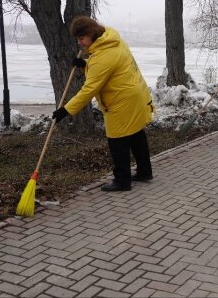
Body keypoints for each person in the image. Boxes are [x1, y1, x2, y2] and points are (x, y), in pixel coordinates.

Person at [52, 16, 155, 192]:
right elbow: (109, 69)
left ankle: (122, 181)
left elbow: (89, 89)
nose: (80, 43)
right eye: (78, 39)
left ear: (91, 34)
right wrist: (85, 64)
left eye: (81, 38)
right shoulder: (112, 38)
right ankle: (144, 172)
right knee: (136, 134)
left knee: (117, 141)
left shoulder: (103, 56)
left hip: (121, 101)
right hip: (134, 92)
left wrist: (66, 110)